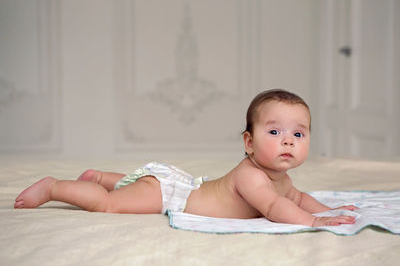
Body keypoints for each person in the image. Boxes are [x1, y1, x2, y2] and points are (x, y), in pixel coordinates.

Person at [14, 89, 358, 227]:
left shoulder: (281, 179)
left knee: (124, 191)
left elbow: (296, 198)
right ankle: (55, 188)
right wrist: (313, 223)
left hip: (181, 184)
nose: (288, 141)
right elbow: (275, 208)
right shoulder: (251, 176)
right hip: (170, 195)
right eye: (274, 132)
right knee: (109, 205)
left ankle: (102, 176)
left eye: (298, 134)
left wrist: (330, 212)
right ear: (249, 143)